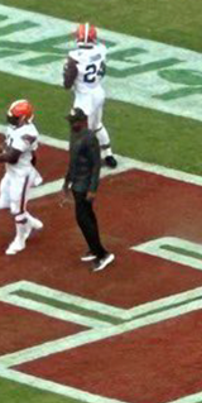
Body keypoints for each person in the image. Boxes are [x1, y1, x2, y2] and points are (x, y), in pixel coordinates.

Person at [0, 100, 45, 255]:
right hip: (11, 173)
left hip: (22, 175)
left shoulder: (29, 133)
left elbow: (12, 157)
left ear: (24, 118)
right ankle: (29, 222)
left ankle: (20, 240)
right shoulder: (15, 127)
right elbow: (7, 143)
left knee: (18, 211)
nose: (11, 119)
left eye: (14, 117)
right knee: (5, 203)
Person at [62, 108, 115, 272]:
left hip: (84, 184)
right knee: (86, 218)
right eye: (71, 122)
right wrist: (67, 181)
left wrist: (93, 189)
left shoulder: (90, 138)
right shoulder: (75, 135)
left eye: (75, 121)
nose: (73, 125)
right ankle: (95, 249)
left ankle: (102, 254)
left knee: (83, 218)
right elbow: (73, 161)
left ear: (83, 121)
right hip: (77, 182)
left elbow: (96, 165)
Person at [63, 23, 116, 168]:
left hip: (84, 97)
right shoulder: (102, 50)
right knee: (97, 125)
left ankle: (87, 160)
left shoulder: (74, 57)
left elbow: (67, 83)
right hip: (98, 91)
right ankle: (109, 154)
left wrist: (68, 74)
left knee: (80, 131)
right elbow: (102, 68)